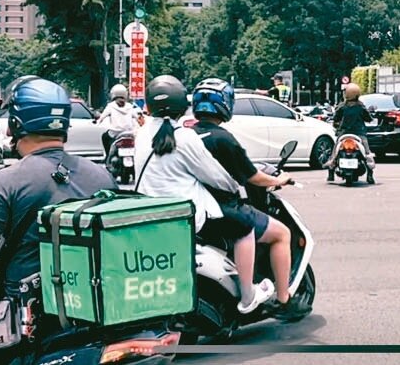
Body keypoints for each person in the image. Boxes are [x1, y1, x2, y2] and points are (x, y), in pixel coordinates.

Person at [0, 76, 117, 361]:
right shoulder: (101, 175)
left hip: (28, 310)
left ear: (16, 124)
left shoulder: (7, 181)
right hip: (92, 303)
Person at [134, 75, 273, 314]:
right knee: (245, 226)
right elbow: (216, 177)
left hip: (152, 212)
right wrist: (234, 187)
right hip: (188, 216)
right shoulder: (184, 137)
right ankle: (248, 295)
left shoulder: (142, 134)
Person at [190, 78, 303, 320]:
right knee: (282, 234)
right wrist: (279, 180)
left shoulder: (187, 135)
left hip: (198, 209)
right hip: (224, 208)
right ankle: (283, 300)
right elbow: (252, 176)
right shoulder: (223, 138)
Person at [326, 83, 377, 183]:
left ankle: (331, 173)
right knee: (367, 154)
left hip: (344, 133)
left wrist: (337, 125)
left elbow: (336, 119)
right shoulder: (361, 106)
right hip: (359, 134)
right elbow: (368, 118)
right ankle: (370, 175)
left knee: (334, 152)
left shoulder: (342, 106)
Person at [97, 84, 144, 151]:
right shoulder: (129, 106)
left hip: (115, 133)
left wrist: (98, 121)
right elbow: (137, 118)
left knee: (104, 136)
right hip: (129, 132)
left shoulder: (111, 106)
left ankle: (107, 156)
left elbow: (102, 117)